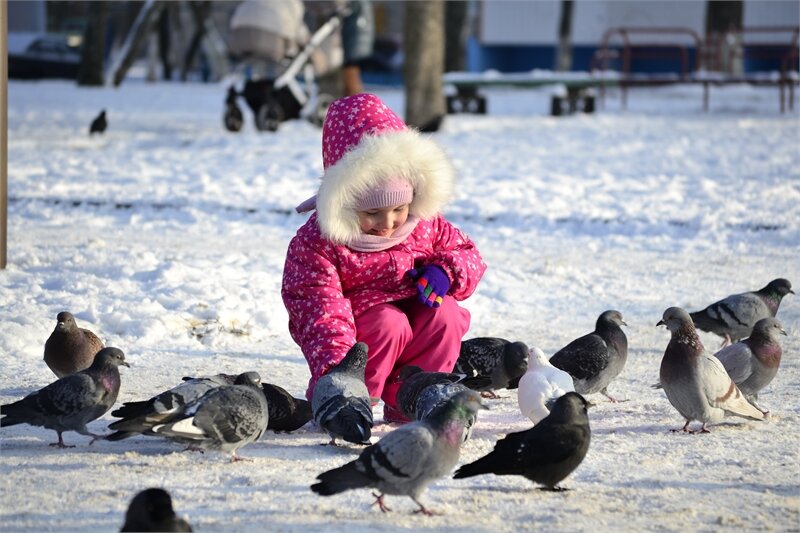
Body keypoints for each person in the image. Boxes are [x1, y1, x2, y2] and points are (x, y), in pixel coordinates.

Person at [282, 93, 486, 424]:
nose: (389, 223)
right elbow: (320, 312)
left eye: (398, 208)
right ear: (346, 203)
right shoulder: (320, 243)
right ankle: (350, 403)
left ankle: (419, 397)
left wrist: (446, 270)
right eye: (373, 212)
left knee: (446, 313)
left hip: (416, 334)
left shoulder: (424, 224)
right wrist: (337, 375)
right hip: (362, 341)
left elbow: (467, 254)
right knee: (389, 323)